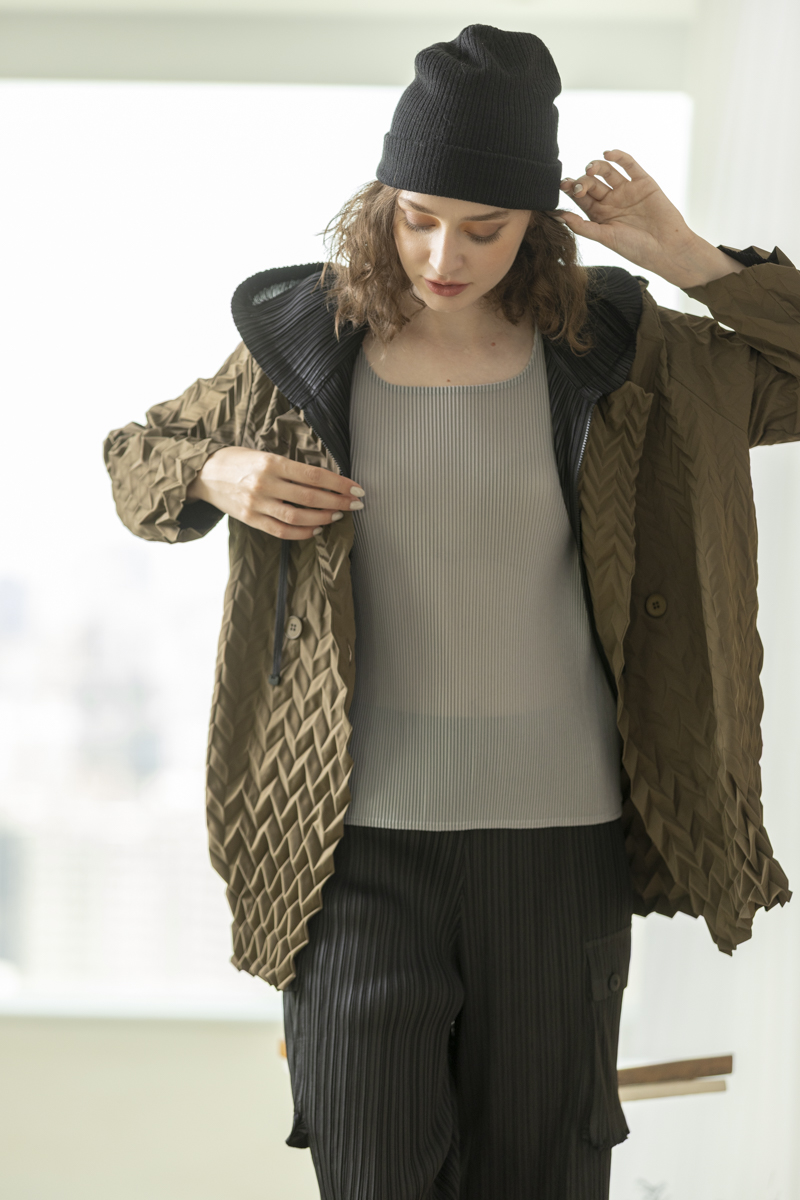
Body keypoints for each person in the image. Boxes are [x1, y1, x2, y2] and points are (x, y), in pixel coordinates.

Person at [104, 23, 797, 1200]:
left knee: (543, 1174)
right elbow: (135, 454)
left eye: (485, 228)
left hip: (560, 850)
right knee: (368, 1172)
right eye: (419, 217)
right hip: (345, 849)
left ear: (534, 225)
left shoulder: (624, 356)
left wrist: (688, 259)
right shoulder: (297, 354)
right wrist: (216, 471)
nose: (442, 254)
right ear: (382, 202)